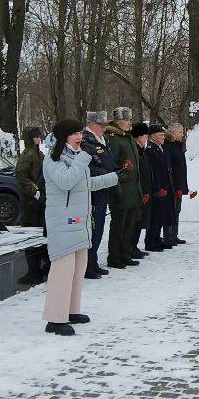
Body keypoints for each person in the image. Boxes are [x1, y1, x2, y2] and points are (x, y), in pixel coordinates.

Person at [40, 120, 122, 335]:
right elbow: (66, 181)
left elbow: (84, 185)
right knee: (62, 272)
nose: (79, 137)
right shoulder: (53, 158)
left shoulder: (75, 157)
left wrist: (115, 177)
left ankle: (71, 311)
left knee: (77, 271)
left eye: (80, 133)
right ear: (64, 137)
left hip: (79, 222)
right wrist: (85, 158)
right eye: (75, 133)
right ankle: (55, 319)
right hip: (63, 222)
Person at [105, 108, 143, 268]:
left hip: (132, 189)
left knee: (129, 225)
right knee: (118, 225)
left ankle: (125, 253)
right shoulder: (114, 138)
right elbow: (112, 165)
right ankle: (114, 256)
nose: (129, 123)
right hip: (121, 189)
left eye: (130, 120)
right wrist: (117, 189)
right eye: (126, 120)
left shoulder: (127, 137)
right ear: (117, 121)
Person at [80, 112, 115, 278]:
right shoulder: (86, 140)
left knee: (99, 227)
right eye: (101, 125)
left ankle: (93, 262)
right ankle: (87, 265)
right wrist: (108, 174)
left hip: (104, 186)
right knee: (93, 227)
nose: (104, 128)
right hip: (94, 190)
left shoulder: (102, 139)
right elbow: (89, 167)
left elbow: (107, 160)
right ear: (92, 124)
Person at [13, 126, 49, 283]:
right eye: (37, 136)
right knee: (30, 236)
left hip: (39, 201)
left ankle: (41, 267)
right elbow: (21, 176)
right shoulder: (27, 155)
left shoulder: (39, 154)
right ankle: (33, 271)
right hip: (30, 202)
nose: (39, 138)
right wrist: (33, 192)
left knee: (40, 234)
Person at [141, 124, 173, 253]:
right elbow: (153, 171)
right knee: (155, 215)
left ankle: (157, 238)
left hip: (165, 187)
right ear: (153, 136)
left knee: (161, 215)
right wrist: (157, 188)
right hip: (157, 189)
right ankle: (151, 241)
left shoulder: (161, 149)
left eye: (163, 135)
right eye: (161, 135)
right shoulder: (150, 151)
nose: (163, 137)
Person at [165, 123, 190, 247]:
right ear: (173, 132)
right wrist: (175, 185)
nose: (182, 134)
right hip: (172, 185)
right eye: (180, 132)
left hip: (179, 184)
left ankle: (174, 235)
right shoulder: (168, 146)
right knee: (171, 210)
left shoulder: (178, 146)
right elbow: (170, 168)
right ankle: (168, 236)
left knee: (177, 210)